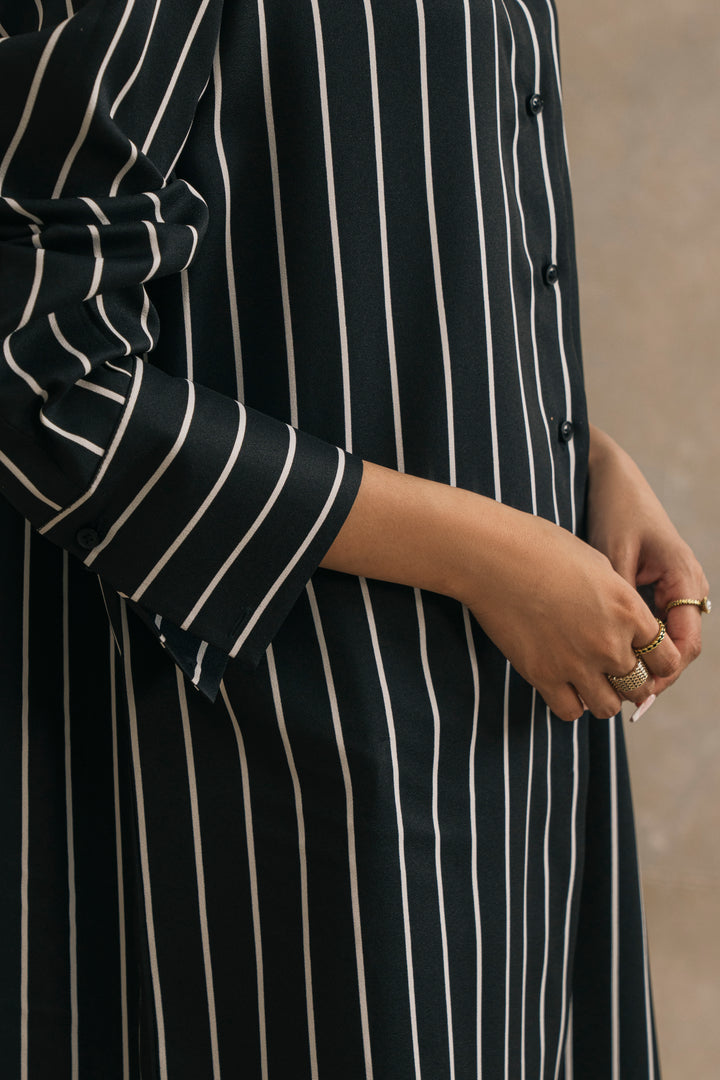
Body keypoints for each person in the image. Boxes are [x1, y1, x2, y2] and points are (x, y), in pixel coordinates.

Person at [0, 1, 708, 1078]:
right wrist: (489, 555)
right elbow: (39, 366)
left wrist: (571, 451)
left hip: (503, 754)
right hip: (274, 774)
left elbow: (349, 253)